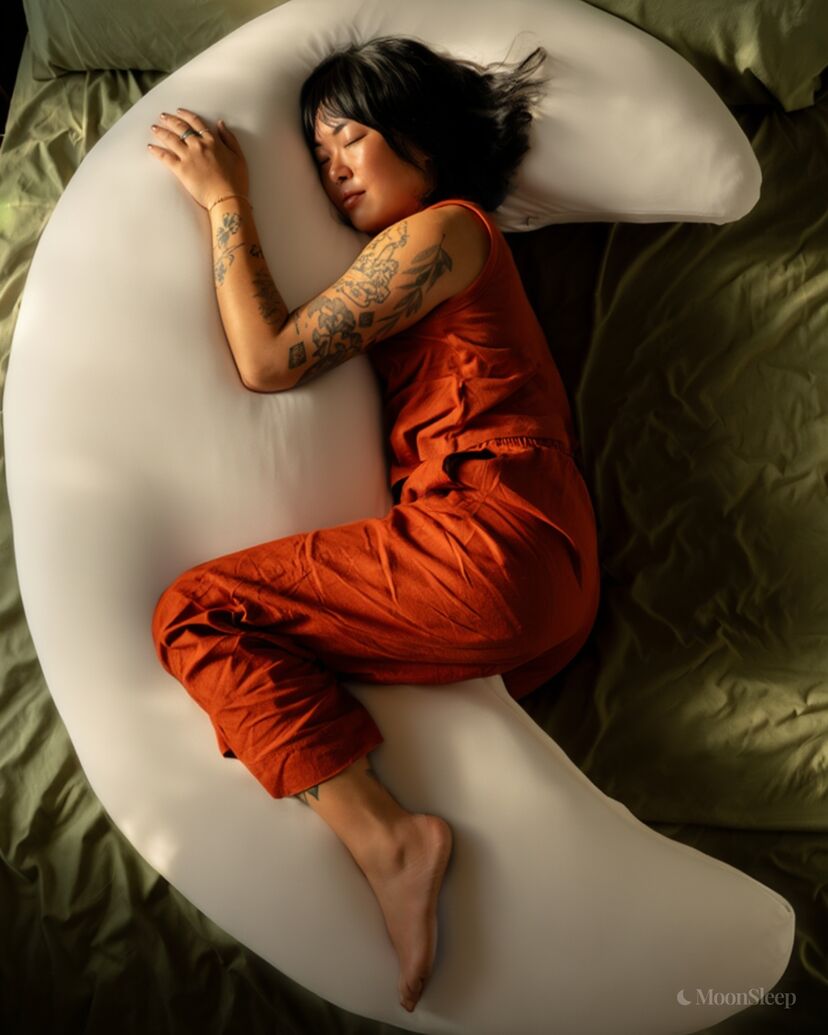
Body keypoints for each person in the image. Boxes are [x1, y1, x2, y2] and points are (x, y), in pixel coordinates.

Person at [148, 35, 600, 1014]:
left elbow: (268, 361)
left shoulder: (445, 230)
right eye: (318, 157)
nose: (333, 171)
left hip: (492, 547)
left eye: (348, 140)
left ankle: (392, 841)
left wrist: (224, 199)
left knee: (197, 613)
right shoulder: (448, 250)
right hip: (542, 587)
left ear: (422, 141)